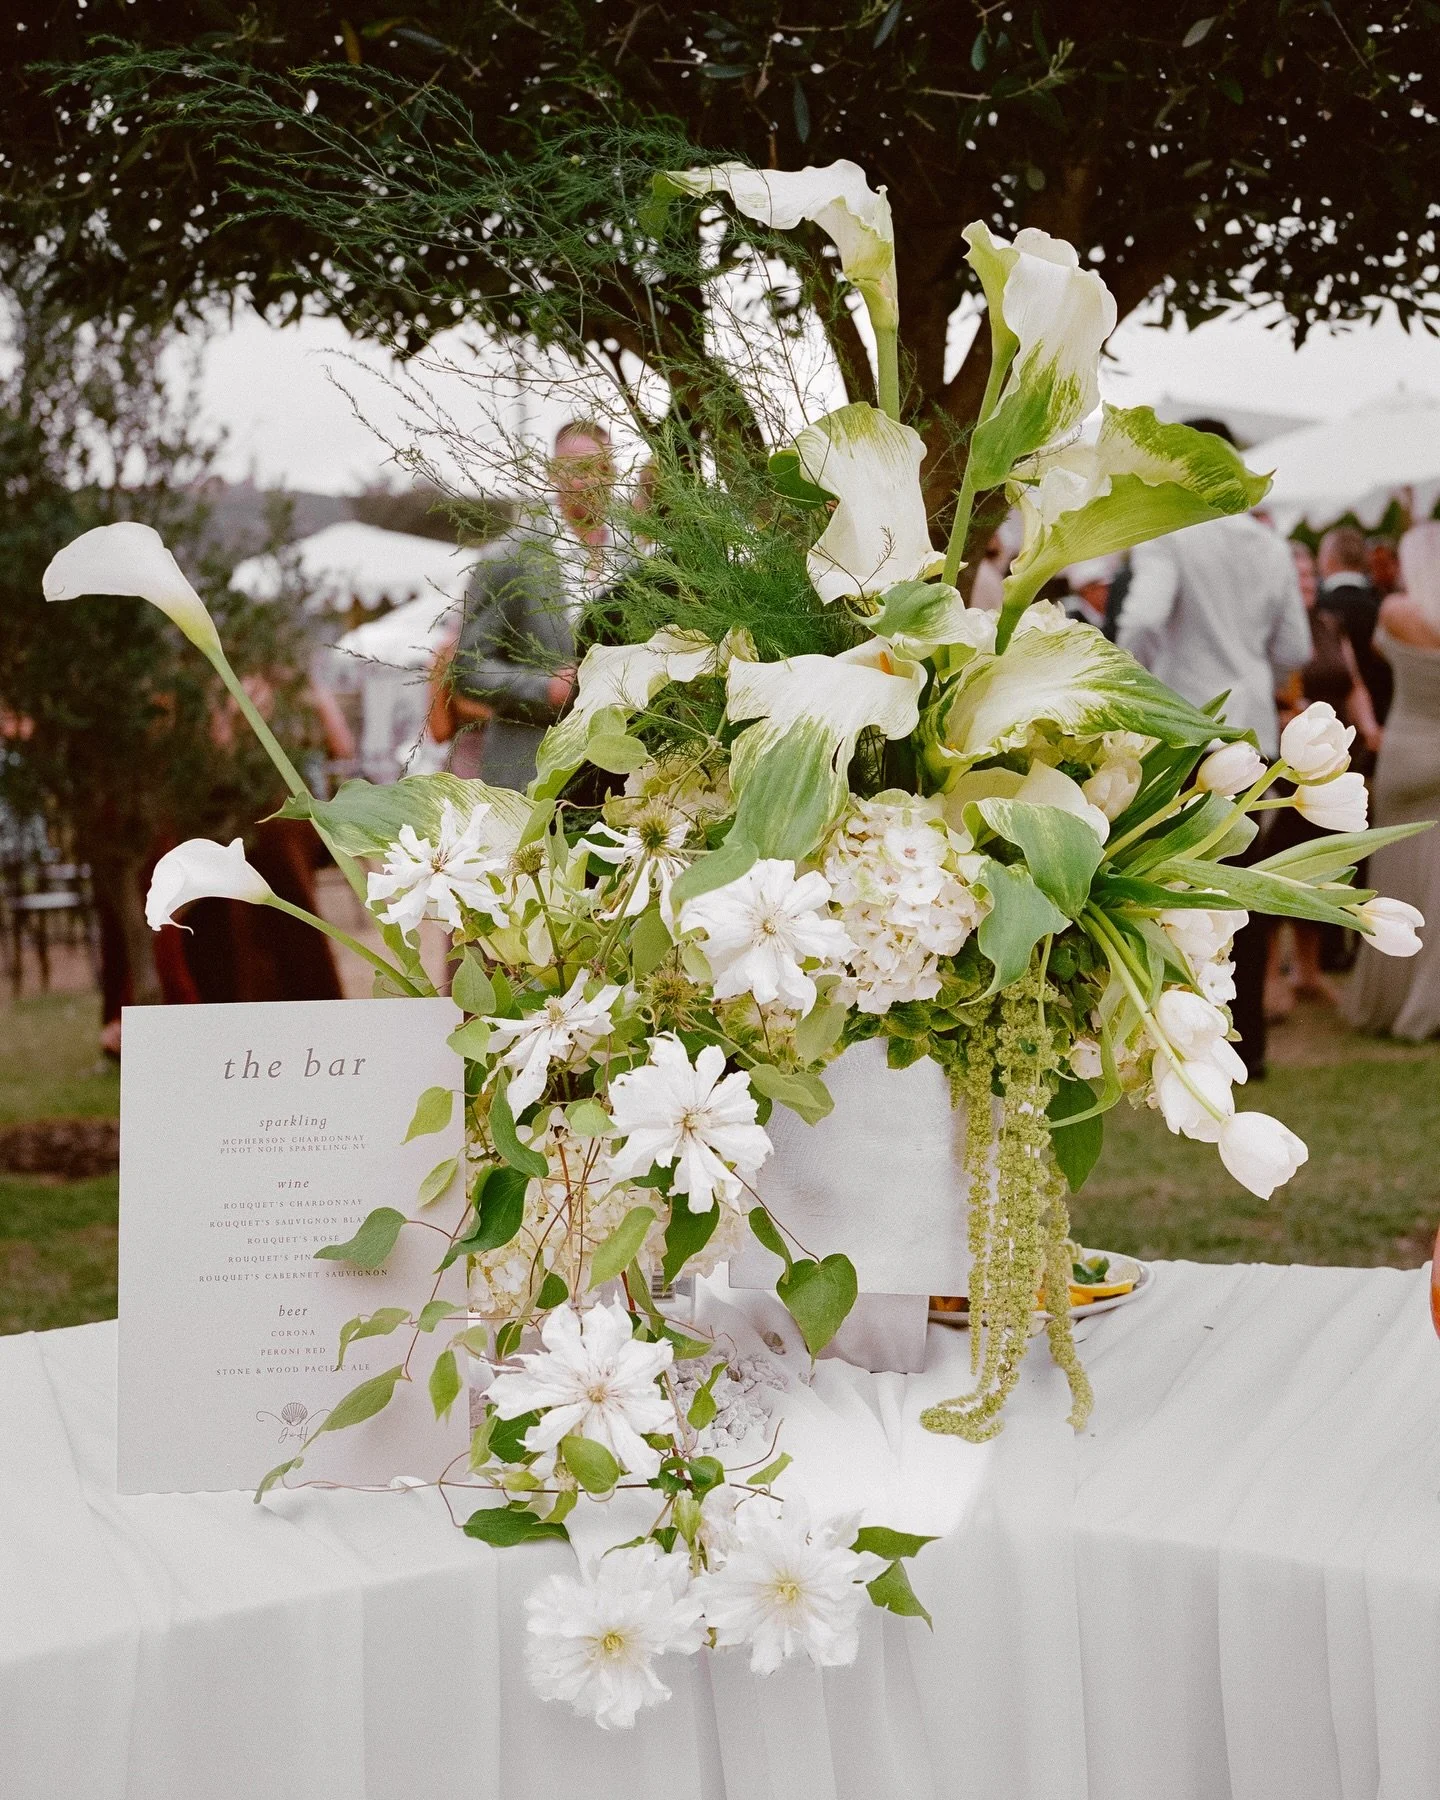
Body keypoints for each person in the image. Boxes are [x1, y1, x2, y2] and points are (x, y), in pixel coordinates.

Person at [1118, 420, 1313, 1075]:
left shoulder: (1168, 532)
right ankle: (1246, 1045)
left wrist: (1127, 684)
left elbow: (1143, 618)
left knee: (1171, 887)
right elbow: (1296, 650)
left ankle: (1177, 1039)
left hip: (1185, 729)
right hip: (1255, 725)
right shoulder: (1270, 546)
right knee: (1245, 887)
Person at [447, 420, 617, 789]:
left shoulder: (633, 561)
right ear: (552, 474)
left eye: (599, 469)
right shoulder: (509, 559)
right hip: (529, 773)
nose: (586, 482)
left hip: (615, 777)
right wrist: (544, 688)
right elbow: (466, 668)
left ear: (614, 474)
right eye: (574, 470)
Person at [1267, 540, 1381, 1016]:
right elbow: (1272, 695)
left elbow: (1352, 682)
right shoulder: (1275, 631)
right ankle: (1272, 976)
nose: (1307, 583)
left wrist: (1371, 731)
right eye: (1297, 576)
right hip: (1294, 763)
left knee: (1322, 865)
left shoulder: (1332, 626)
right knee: (1282, 864)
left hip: (1338, 761)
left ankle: (1309, 973)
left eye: (1311, 574)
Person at [1344, 522, 1440, 1039]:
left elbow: (1378, 652)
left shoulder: (1398, 612)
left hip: (1405, 751)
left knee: (1399, 876)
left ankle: (1392, 997)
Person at [1315, 524, 1392, 726]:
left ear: (1328, 560)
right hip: (1386, 714)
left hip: (1330, 718)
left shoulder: (1318, 609)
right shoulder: (1384, 606)